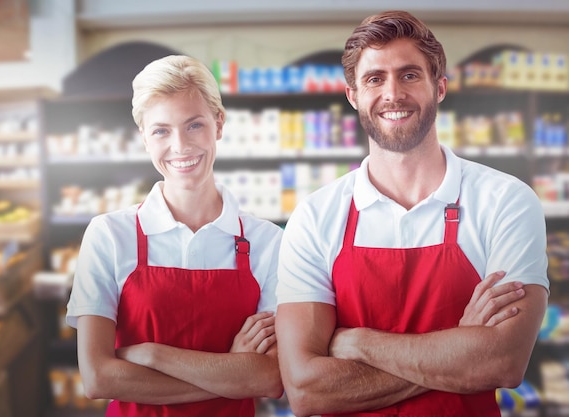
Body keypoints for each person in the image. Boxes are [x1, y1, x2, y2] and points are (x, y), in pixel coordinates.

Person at [275, 10, 549, 417]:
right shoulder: (315, 217)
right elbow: (306, 391)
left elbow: (503, 363)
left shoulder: (506, 201)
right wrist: (461, 346)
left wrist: (359, 344)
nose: (393, 94)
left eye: (409, 75)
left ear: (439, 87)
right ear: (353, 96)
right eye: (374, 79)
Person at [66, 55, 283, 417]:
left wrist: (153, 355)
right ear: (144, 139)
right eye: (161, 130)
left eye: (194, 125)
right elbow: (98, 378)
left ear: (219, 123)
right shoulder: (109, 235)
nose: (180, 146)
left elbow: (270, 379)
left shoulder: (267, 242)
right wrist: (230, 370)